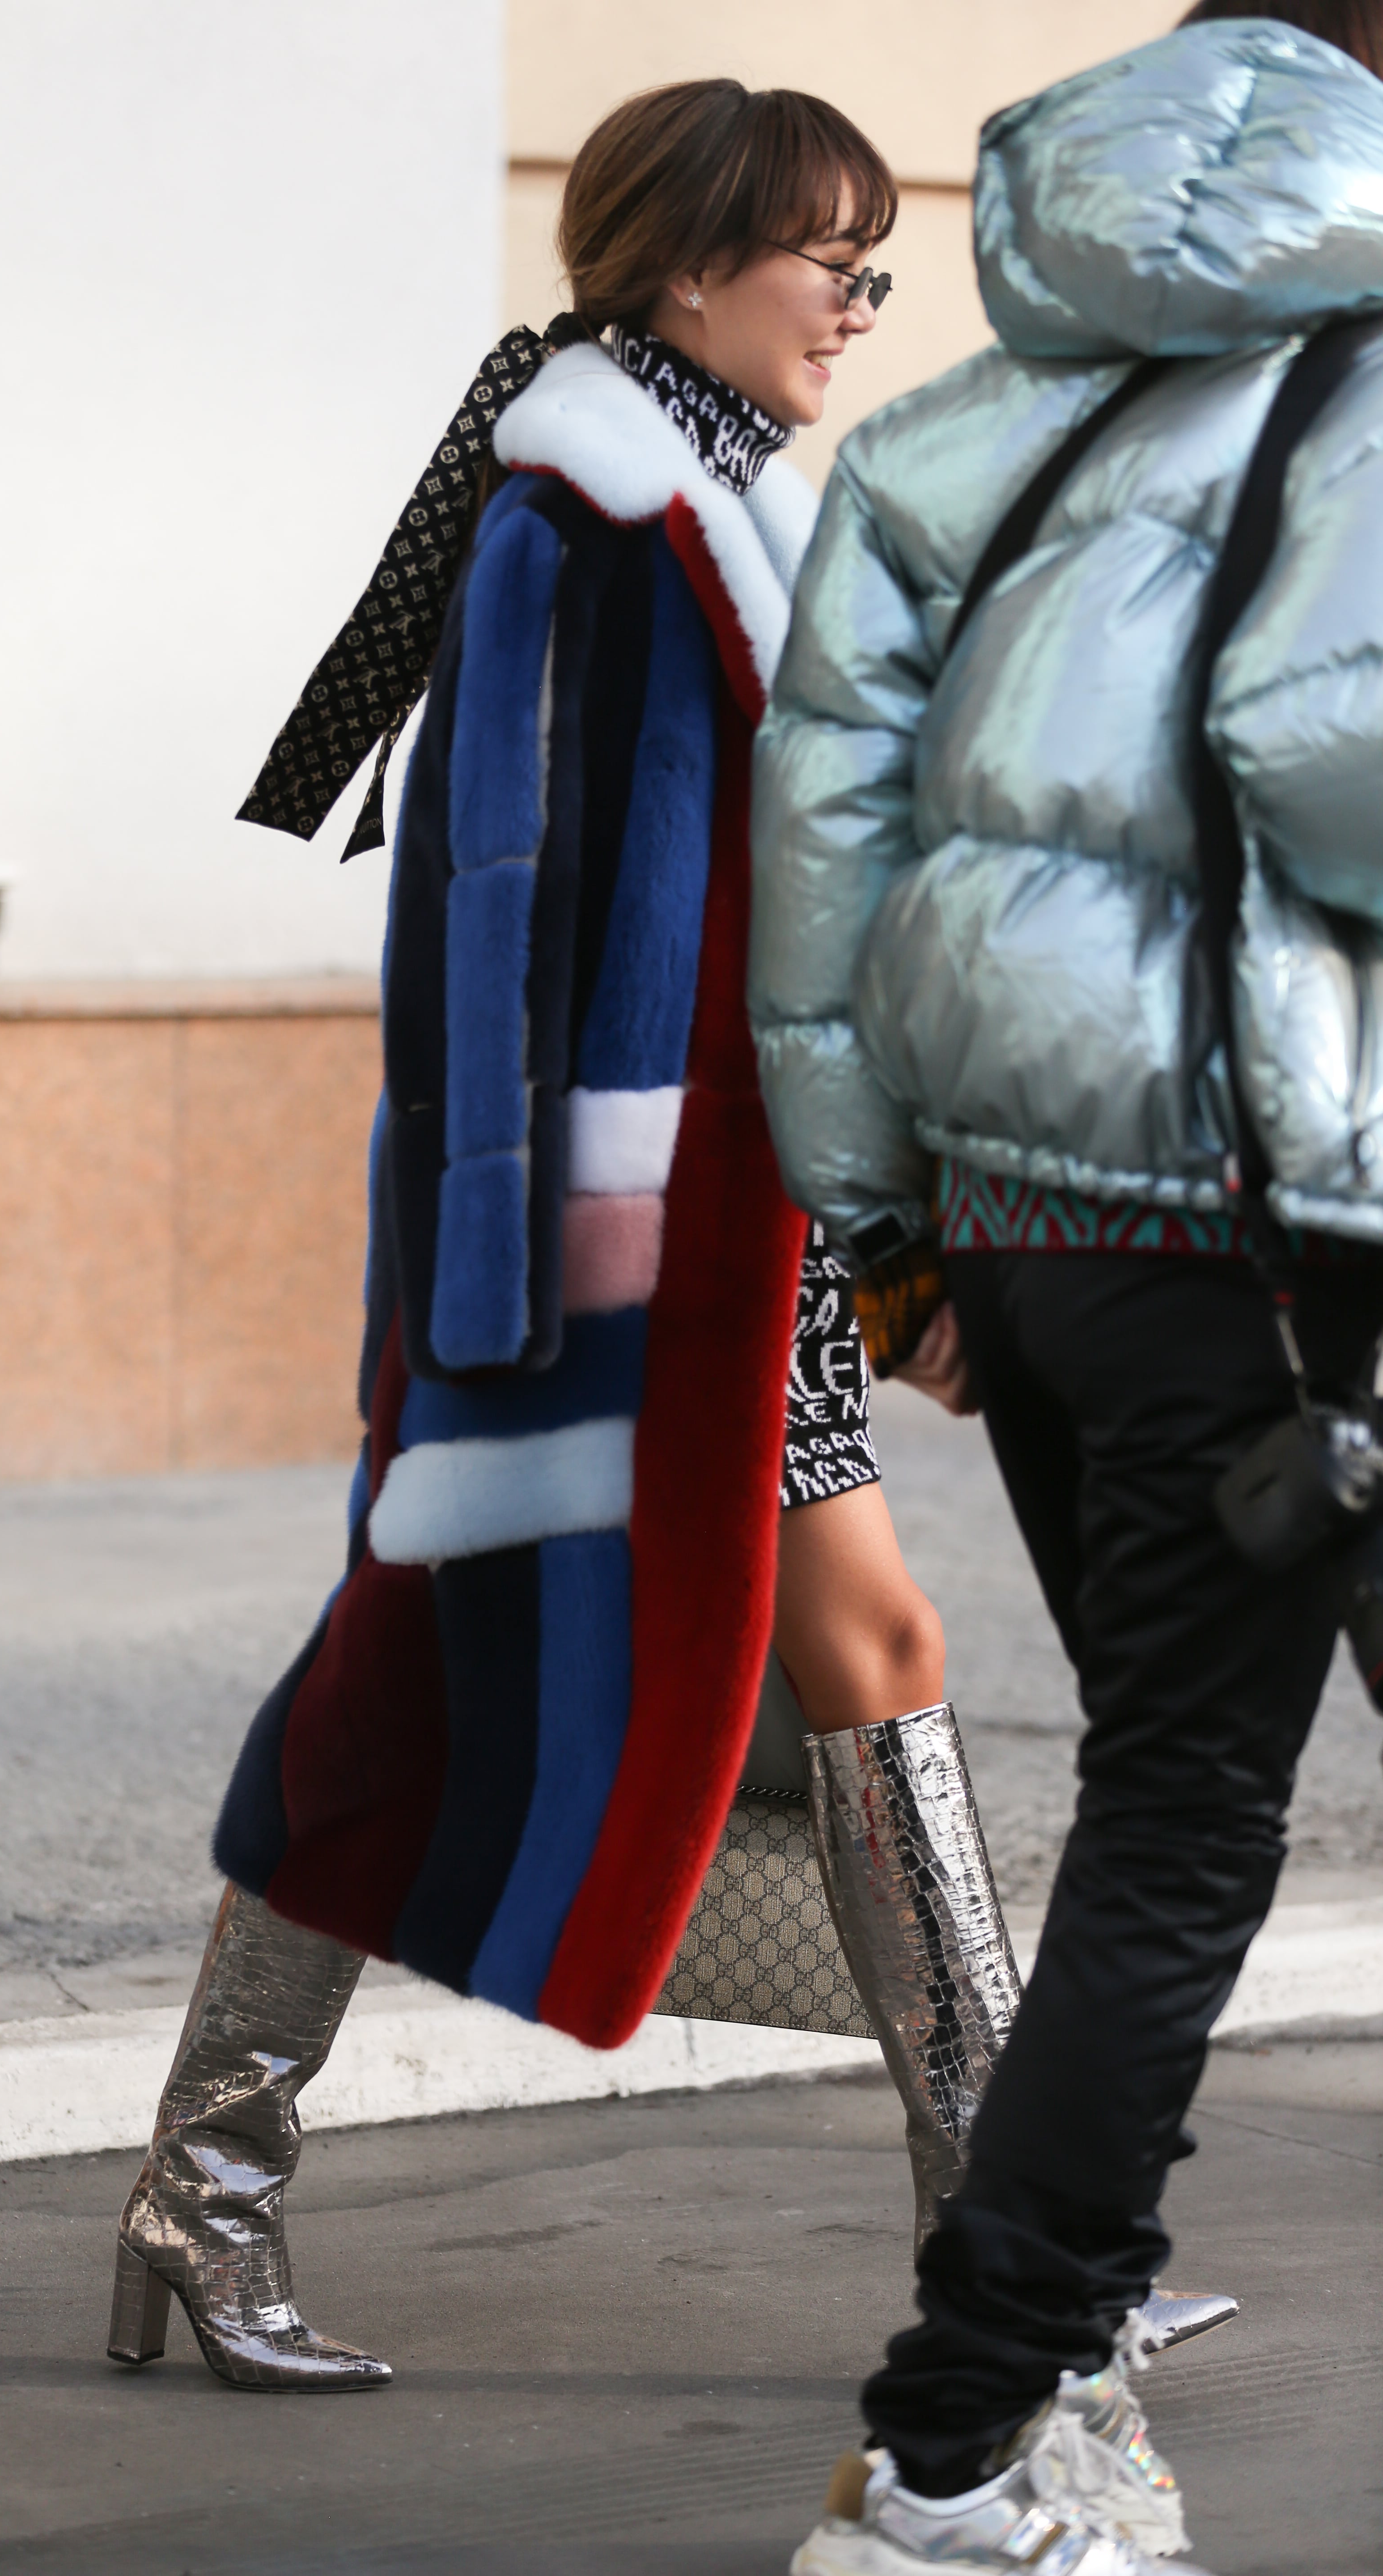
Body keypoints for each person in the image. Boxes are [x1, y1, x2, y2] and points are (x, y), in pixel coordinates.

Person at [101, 77, 1028, 2399]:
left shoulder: (729, 504)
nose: (861, 302)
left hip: (740, 1245)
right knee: (398, 1704)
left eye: (876, 262)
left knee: (868, 1653)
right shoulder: (583, 516)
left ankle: (1018, 2241)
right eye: (828, 258)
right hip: (602, 1274)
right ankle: (205, 2190)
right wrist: (515, 1296)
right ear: (688, 267)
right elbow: (491, 936)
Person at [754, 8, 1383, 2569]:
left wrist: (893, 1235)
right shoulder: (1362, 404)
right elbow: (1331, 739)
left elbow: (824, 859)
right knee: (1182, 1833)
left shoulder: (959, 438)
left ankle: (1031, 2412)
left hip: (1032, 1240)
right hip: (1290, 1243)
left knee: (1167, 1809)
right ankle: (960, 2447)